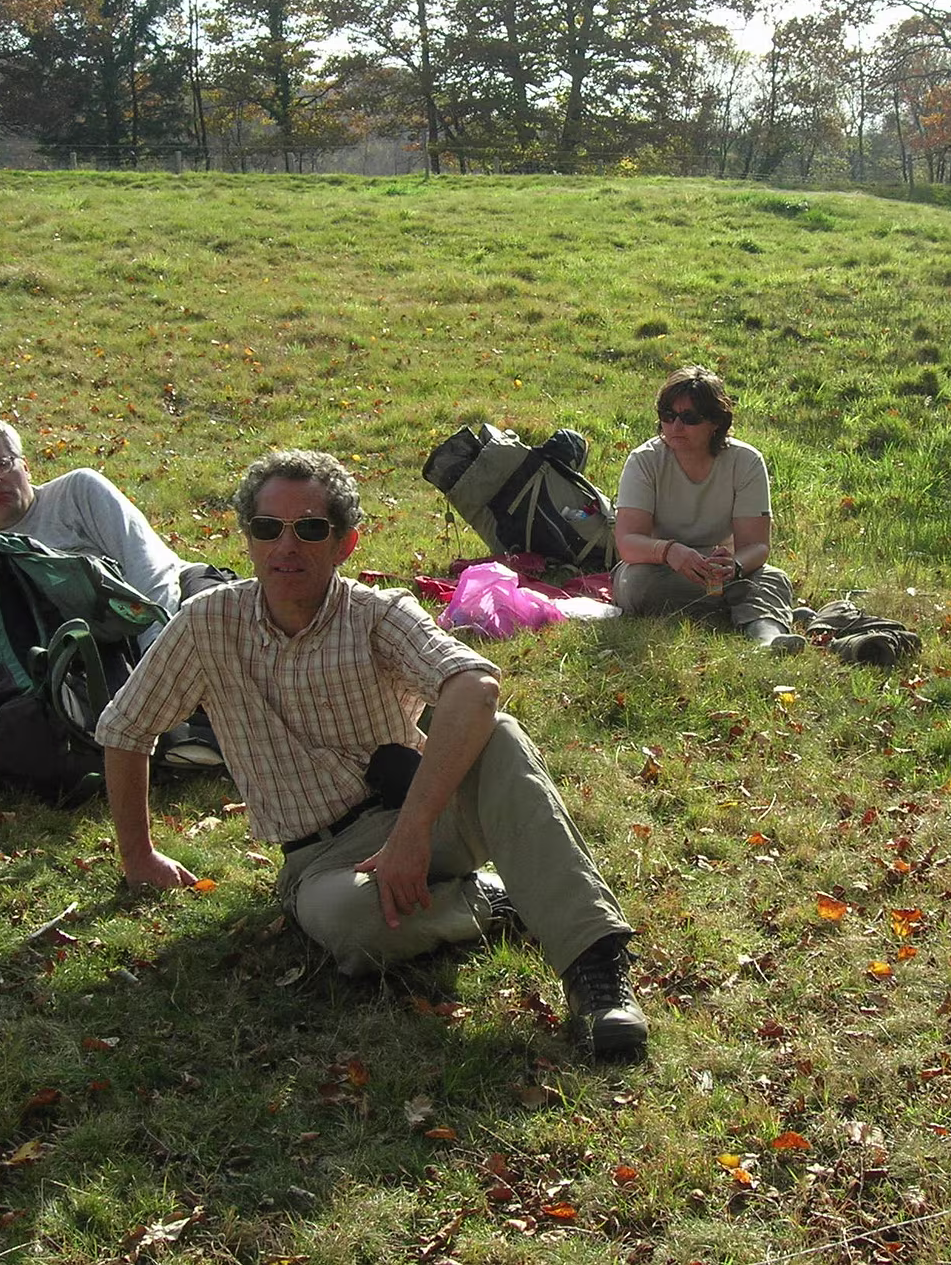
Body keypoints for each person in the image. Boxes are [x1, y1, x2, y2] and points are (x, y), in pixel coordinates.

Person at [92, 449, 648, 1059]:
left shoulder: (377, 615)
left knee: (501, 735)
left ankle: (597, 975)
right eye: (268, 528)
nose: (286, 546)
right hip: (322, 859)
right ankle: (490, 902)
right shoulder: (206, 624)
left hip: (424, 815)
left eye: (310, 529)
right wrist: (139, 856)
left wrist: (412, 833)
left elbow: (475, 686)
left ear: (345, 544)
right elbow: (125, 728)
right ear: (247, 538)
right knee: (351, 926)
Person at [611, 365, 805, 653]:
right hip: (659, 569)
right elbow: (628, 543)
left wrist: (735, 566)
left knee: (772, 577)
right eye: (668, 415)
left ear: (716, 422)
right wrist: (669, 552)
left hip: (721, 575)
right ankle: (749, 613)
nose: (676, 427)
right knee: (636, 582)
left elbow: (757, 546)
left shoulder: (746, 462)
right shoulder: (644, 461)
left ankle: (767, 639)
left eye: (690, 418)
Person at [0, 417, 196, 623]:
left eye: (1, 464)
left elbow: (151, 570)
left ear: (25, 467)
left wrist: (152, 656)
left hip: (170, 607)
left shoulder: (78, 493)